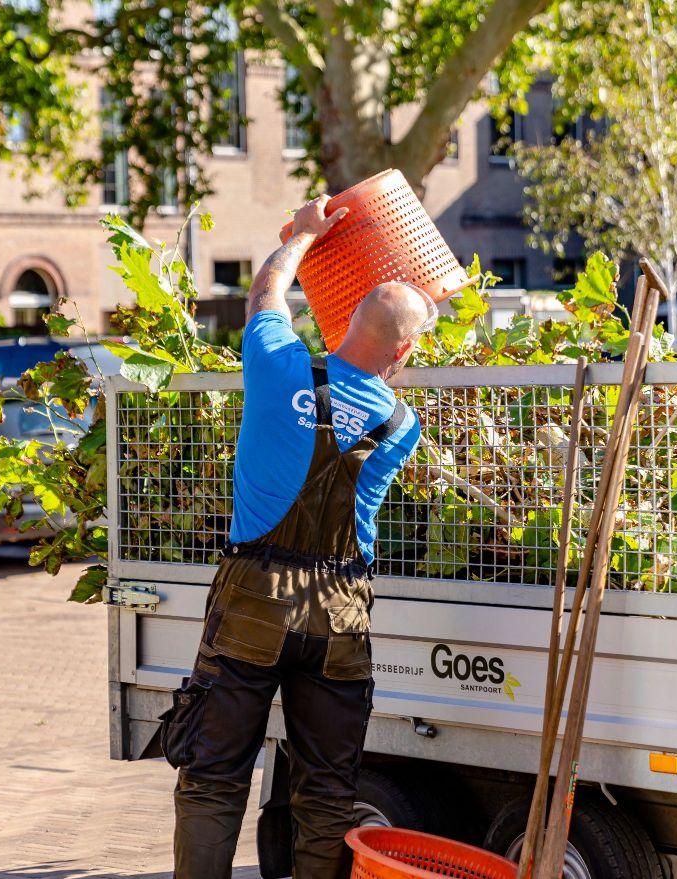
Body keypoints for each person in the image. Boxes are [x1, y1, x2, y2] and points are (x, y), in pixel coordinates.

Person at [165, 195, 435, 878]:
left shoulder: (276, 363)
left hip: (252, 601)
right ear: (404, 351)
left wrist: (307, 235)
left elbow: (266, 291)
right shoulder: (401, 426)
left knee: (214, 775)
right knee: (327, 792)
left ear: (345, 319)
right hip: (338, 616)